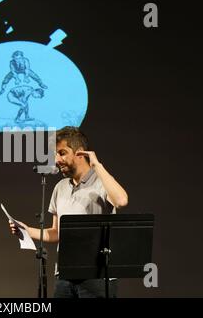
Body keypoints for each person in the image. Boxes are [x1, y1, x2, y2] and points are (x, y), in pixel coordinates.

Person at [9, 126, 128, 298]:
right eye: (55, 154)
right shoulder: (60, 187)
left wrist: (97, 165)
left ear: (80, 153)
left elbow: (121, 201)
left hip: (97, 277)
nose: (57, 159)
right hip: (65, 276)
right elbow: (56, 232)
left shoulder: (101, 181)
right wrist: (27, 230)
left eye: (62, 153)